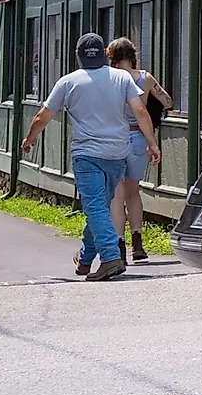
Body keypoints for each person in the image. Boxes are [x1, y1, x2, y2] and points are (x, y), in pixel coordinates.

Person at [21, 34, 156, 281]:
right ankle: (84, 259)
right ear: (104, 54)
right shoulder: (122, 77)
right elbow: (140, 111)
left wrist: (30, 139)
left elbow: (43, 115)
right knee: (100, 207)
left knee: (94, 206)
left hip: (87, 154)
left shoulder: (68, 82)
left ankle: (110, 257)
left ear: (77, 54)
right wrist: (151, 143)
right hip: (118, 152)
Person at [106, 36, 172, 262]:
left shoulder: (109, 78)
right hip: (138, 137)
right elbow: (168, 101)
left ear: (112, 58)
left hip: (115, 137)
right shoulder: (145, 78)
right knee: (133, 192)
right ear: (133, 56)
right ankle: (138, 242)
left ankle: (119, 246)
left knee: (117, 194)